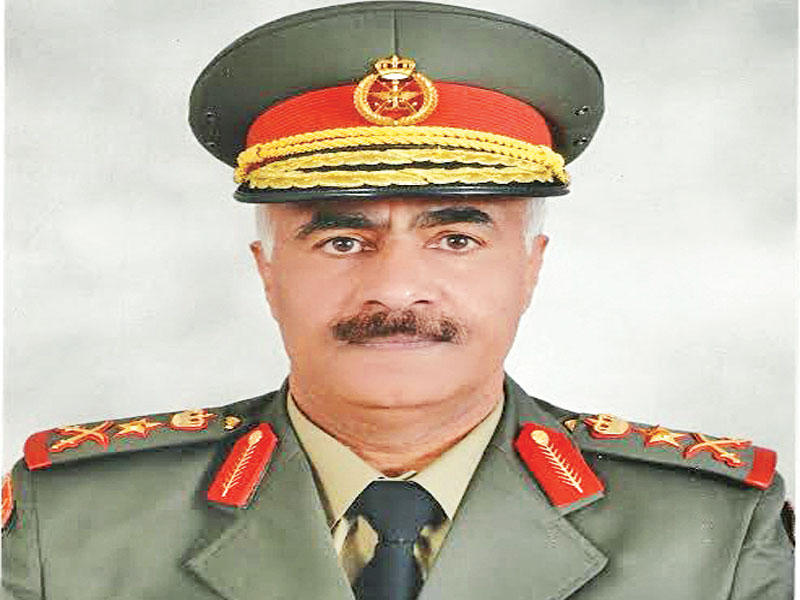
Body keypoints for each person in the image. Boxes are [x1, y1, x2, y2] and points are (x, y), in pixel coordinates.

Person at [2, 2, 793, 599]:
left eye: (456, 239)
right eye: (342, 241)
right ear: (267, 271)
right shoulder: (72, 526)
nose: (395, 288)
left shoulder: (712, 536)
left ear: (530, 268)